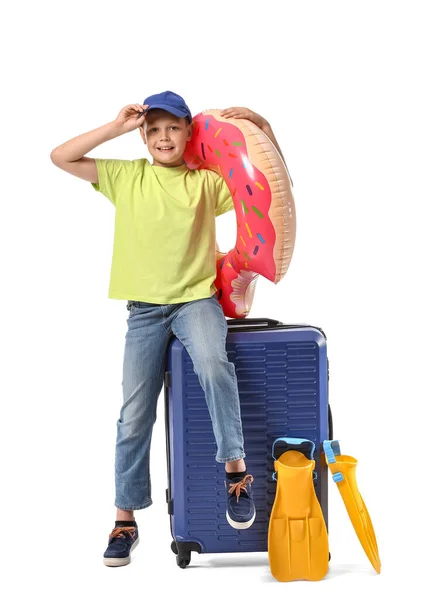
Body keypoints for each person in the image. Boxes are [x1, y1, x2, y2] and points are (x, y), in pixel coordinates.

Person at [50, 91, 286, 567]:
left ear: (188, 132)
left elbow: (270, 185)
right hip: (145, 311)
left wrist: (262, 126)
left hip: (195, 301)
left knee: (216, 367)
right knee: (135, 412)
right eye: (153, 129)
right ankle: (124, 520)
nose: (163, 137)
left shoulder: (205, 183)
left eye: (173, 128)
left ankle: (235, 471)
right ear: (143, 136)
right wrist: (115, 127)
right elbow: (61, 156)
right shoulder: (126, 176)